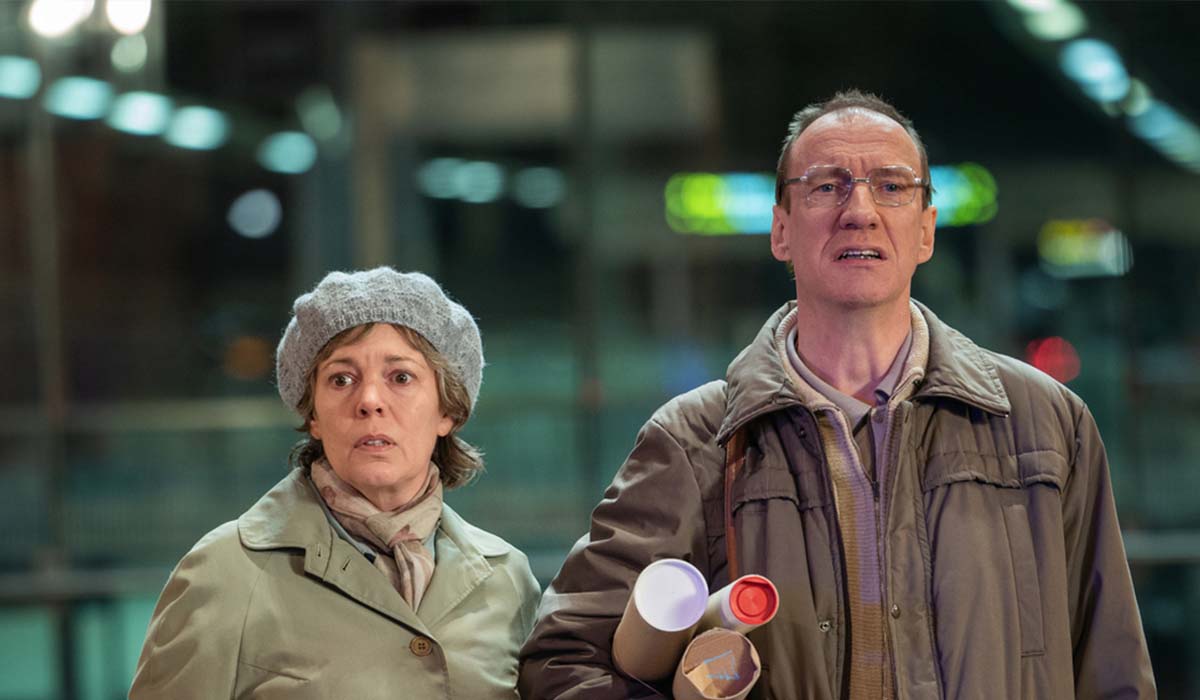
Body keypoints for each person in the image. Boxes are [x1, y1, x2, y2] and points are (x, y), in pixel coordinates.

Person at [518, 90, 1155, 699]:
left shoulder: (1045, 424)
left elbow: (1112, 669)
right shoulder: (694, 441)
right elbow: (565, 658)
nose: (860, 209)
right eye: (826, 186)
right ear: (781, 231)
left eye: (891, 185)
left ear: (926, 230)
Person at [131, 267, 540, 699]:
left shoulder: (507, 580)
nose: (368, 401)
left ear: (448, 411)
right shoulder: (224, 571)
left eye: (400, 377)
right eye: (341, 379)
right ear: (313, 416)